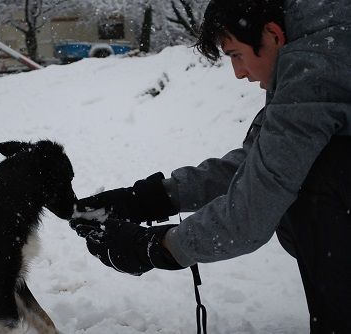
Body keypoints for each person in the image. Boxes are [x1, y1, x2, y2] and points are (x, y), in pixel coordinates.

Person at [69, 0, 351, 333]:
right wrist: (151, 198)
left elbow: (253, 210)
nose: (239, 73)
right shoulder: (316, 49)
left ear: (272, 34)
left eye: (236, 55)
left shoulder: (316, 68)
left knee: (311, 187)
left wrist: (154, 248)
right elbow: (260, 161)